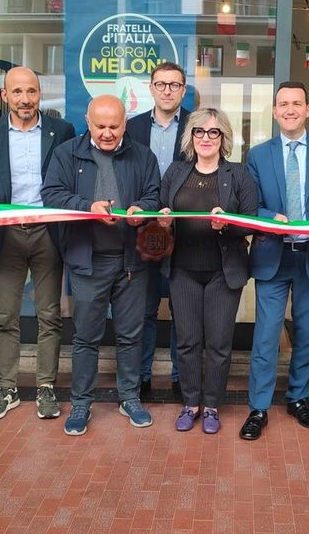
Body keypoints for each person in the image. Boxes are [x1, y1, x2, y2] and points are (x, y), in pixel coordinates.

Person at [41, 94, 161, 436]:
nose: (107, 133)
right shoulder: (67, 153)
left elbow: (154, 194)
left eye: (114, 126)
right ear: (87, 123)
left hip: (131, 261)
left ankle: (130, 398)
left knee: (131, 335)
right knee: (86, 337)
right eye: (100, 126)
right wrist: (86, 206)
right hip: (87, 261)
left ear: (125, 123)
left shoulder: (143, 155)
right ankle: (81, 403)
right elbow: (51, 194)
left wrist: (142, 210)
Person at [0, 67, 76, 421]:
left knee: (50, 315)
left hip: (48, 232)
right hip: (6, 233)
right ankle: (7, 387)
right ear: (5, 96)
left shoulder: (62, 131)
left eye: (31, 91)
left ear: (39, 94)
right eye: (17, 92)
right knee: (5, 316)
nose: (25, 99)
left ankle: (46, 386)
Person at [241, 81, 309, 440]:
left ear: (307, 110)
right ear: (274, 111)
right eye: (283, 104)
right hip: (273, 255)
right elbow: (250, 205)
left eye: (297, 103)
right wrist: (271, 218)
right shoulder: (258, 155)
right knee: (266, 336)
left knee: (307, 333)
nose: (290, 110)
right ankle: (259, 406)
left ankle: (298, 398)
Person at [155, 108, 258, 434]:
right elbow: (160, 213)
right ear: (191, 136)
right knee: (187, 342)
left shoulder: (238, 174)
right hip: (182, 270)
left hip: (223, 273)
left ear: (223, 137)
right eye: (199, 131)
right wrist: (163, 222)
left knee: (218, 343)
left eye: (214, 132)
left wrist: (226, 224)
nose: (206, 138)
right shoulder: (175, 171)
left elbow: (251, 221)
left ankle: (211, 406)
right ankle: (190, 403)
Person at [126, 61, 188, 400]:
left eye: (174, 85)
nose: (167, 90)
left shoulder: (197, 126)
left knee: (182, 309)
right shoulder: (132, 127)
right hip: (143, 231)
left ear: (183, 90)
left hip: (185, 232)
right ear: (150, 88)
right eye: (161, 84)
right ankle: (142, 376)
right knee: (144, 308)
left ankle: (181, 377)